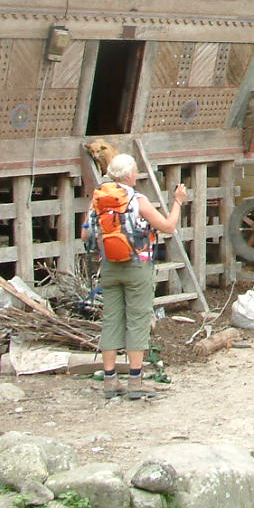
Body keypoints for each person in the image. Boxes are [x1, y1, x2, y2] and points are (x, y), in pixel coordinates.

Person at [83, 153, 187, 401]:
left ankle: (109, 381)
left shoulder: (98, 201)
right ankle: (135, 380)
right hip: (137, 266)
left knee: (111, 320)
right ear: (129, 175)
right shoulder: (137, 200)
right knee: (137, 319)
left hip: (109, 266)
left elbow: (85, 236)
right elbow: (168, 226)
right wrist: (178, 202)